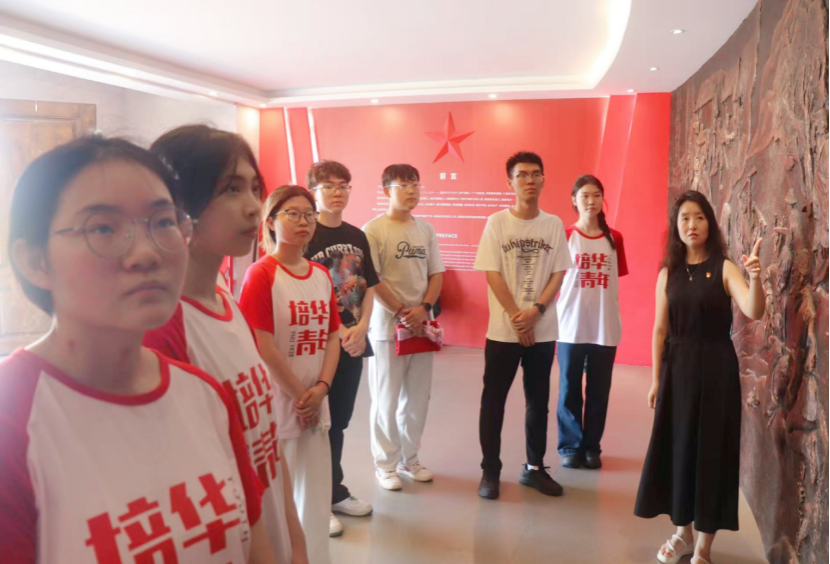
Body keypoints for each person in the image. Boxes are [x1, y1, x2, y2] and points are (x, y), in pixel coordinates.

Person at [0, 136, 275, 563]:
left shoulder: (205, 395)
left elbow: (255, 547)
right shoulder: (13, 421)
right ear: (35, 260)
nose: (146, 253)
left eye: (163, 222)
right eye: (103, 228)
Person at [143, 125, 308, 563]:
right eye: (231, 189)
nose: (254, 207)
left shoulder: (226, 302)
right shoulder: (161, 330)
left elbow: (266, 441)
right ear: (178, 201)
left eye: (254, 188)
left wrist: (295, 539)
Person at [634, 191, 765, 564]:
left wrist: (755, 277)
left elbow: (753, 309)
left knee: (711, 453)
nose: (692, 225)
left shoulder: (724, 267)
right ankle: (683, 534)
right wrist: (656, 380)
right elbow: (660, 330)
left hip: (716, 372)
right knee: (679, 450)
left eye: (699, 217)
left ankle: (703, 548)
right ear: (676, 226)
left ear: (710, 223)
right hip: (677, 371)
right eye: (685, 218)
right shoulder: (668, 273)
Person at [239, 185, 340, 564]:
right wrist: (302, 396)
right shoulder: (261, 274)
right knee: (277, 502)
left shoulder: (321, 274)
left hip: (315, 403)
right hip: (279, 406)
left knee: (315, 496)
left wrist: (322, 389)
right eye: (293, 214)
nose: (303, 222)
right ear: (271, 222)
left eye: (309, 214)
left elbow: (332, 335)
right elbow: (263, 346)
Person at [473, 151, 573, 500]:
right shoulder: (497, 223)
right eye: (522, 175)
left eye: (535, 174)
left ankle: (534, 468)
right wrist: (519, 317)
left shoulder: (553, 224)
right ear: (510, 183)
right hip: (504, 332)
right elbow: (491, 273)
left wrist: (537, 311)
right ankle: (490, 471)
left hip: (541, 331)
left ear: (543, 179)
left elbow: (559, 272)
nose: (529, 180)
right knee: (493, 401)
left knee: (538, 401)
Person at [304, 161, 378, 537]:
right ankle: (314, 501)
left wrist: (362, 328)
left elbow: (369, 286)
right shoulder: (306, 235)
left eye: (344, 185)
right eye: (329, 186)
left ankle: (333, 491)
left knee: (341, 421)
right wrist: (340, 331)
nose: (338, 192)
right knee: (318, 423)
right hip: (319, 346)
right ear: (313, 193)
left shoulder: (357, 235)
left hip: (353, 343)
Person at [362, 164, 445, 491]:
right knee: (385, 399)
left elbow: (436, 274)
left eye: (416, 184)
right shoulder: (374, 230)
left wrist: (423, 309)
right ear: (387, 191)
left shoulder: (426, 229)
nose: (412, 191)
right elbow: (372, 279)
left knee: (417, 400)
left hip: (421, 328)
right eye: (404, 185)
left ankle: (410, 459)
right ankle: (385, 465)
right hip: (387, 329)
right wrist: (400, 311)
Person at [555, 175, 628, 470]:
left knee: (599, 390)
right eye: (584, 195)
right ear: (574, 200)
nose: (591, 201)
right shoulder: (565, 235)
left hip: (604, 325)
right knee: (569, 388)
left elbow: (615, 278)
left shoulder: (615, 238)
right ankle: (569, 446)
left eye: (596, 195)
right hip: (570, 325)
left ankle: (591, 447)